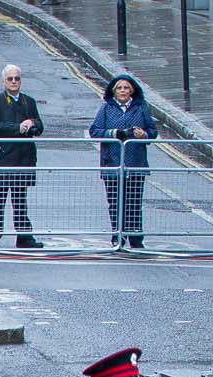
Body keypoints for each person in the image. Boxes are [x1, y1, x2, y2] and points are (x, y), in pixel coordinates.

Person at [89, 73, 156, 249]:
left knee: (134, 202)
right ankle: (117, 236)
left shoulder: (140, 108)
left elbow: (152, 131)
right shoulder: (106, 108)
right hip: (112, 163)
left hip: (135, 164)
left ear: (132, 91)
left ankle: (135, 237)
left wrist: (144, 135)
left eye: (126, 88)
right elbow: (94, 131)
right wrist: (114, 133)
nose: (123, 91)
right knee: (115, 202)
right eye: (119, 88)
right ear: (114, 91)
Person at [0, 64, 42, 249]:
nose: (14, 82)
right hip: (1, 159)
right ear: (3, 81)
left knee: (20, 200)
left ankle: (24, 236)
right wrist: (17, 128)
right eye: (10, 79)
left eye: (17, 78)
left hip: (23, 159)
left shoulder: (29, 101)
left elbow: (39, 126)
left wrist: (31, 123)